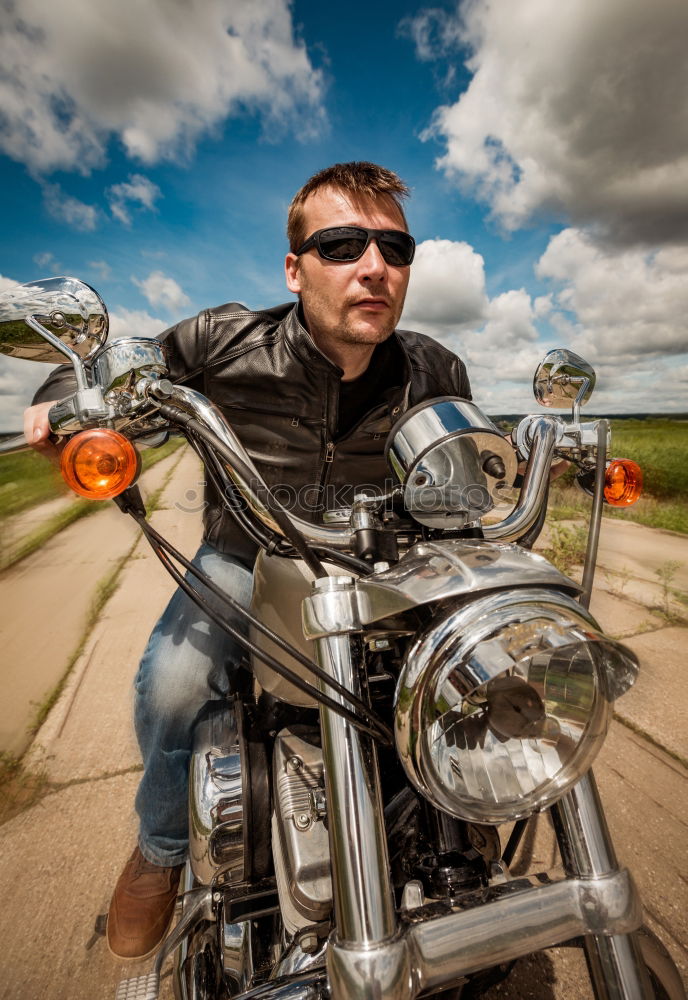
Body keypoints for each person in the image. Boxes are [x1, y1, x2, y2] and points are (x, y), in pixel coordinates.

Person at [24, 161, 472, 960]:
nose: (374, 266)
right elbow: (122, 369)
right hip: (247, 560)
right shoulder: (223, 340)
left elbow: (466, 478)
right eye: (341, 245)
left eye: (394, 249)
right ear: (294, 268)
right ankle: (161, 851)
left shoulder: (435, 370)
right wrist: (63, 392)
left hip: (381, 570)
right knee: (174, 681)